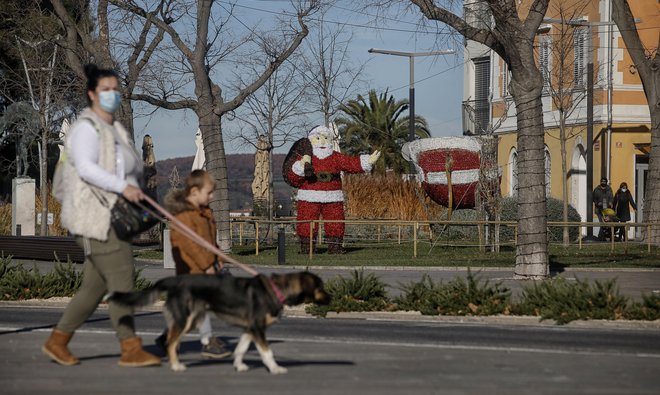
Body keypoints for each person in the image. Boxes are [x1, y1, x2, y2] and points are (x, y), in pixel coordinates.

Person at [42, 64, 160, 367]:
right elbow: (86, 168)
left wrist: (137, 190)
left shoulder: (116, 130)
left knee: (94, 288)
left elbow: (131, 170)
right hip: (92, 217)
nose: (112, 94)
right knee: (123, 277)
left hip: (114, 216)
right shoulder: (86, 128)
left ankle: (58, 341)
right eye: (106, 89)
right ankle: (130, 347)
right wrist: (122, 186)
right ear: (93, 94)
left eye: (115, 89)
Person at [158, 169, 231, 358]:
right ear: (194, 192)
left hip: (205, 267)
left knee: (188, 310)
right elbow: (189, 245)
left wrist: (218, 260)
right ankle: (207, 341)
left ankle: (168, 336)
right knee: (200, 305)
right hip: (190, 270)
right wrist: (206, 265)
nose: (212, 196)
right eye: (209, 192)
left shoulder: (205, 213)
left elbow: (210, 242)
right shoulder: (183, 216)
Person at [283, 125, 380, 254]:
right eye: (318, 138)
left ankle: (335, 247)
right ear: (311, 141)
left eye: (325, 138)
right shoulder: (306, 158)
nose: (322, 142)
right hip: (309, 196)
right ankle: (307, 248)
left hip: (333, 196)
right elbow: (293, 175)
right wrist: (301, 166)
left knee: (335, 222)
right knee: (307, 222)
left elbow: (351, 163)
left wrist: (368, 161)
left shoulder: (336, 157)